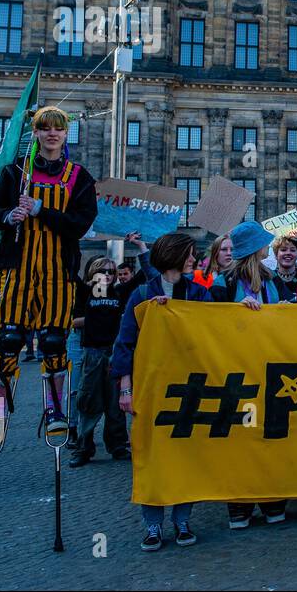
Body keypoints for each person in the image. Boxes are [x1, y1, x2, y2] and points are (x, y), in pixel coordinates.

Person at [0, 106, 98, 448]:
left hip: (58, 271)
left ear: (65, 134)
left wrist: (42, 211)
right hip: (16, 268)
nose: (51, 134)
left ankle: (56, 412)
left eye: (57, 129)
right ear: (36, 133)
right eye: (45, 129)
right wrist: (8, 215)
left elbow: (81, 224)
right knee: (10, 340)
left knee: (53, 342)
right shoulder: (15, 172)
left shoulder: (79, 177)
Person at [112, 233, 211, 550]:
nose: (194, 259)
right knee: (152, 456)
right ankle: (152, 525)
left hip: (187, 386)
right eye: (190, 254)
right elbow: (124, 344)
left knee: (187, 455)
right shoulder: (142, 294)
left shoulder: (196, 293)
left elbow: (216, 328)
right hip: (151, 388)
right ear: (174, 256)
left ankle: (182, 520)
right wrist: (125, 388)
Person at [211, 221, 291, 529]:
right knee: (241, 438)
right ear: (254, 248)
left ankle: (273, 499)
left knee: (272, 435)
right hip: (237, 372)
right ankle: (240, 504)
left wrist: (286, 309)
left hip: (271, 370)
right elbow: (208, 323)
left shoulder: (272, 280)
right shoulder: (224, 283)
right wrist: (233, 314)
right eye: (264, 242)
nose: (268, 246)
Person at [68, 255, 131, 467]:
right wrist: (97, 318)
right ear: (92, 272)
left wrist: (141, 246)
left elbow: (143, 277)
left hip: (113, 352)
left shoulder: (118, 292)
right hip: (92, 352)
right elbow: (73, 321)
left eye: (111, 272)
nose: (107, 275)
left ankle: (118, 445)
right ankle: (84, 447)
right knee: (88, 400)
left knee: (115, 402)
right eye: (102, 271)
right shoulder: (85, 292)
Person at [210, 221, 292, 306]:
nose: (268, 245)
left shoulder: (272, 276)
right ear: (256, 248)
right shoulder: (223, 281)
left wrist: (287, 305)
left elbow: (293, 303)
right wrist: (236, 308)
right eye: (264, 241)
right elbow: (214, 314)